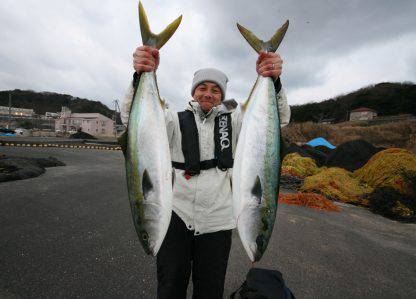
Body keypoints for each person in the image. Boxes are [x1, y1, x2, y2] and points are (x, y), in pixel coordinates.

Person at [120, 45, 290, 299]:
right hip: (175, 215)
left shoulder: (235, 121)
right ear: (193, 92)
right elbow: (132, 119)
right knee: (169, 287)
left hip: (218, 221)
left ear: (221, 96)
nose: (208, 94)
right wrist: (141, 76)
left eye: (215, 90)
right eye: (202, 88)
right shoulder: (172, 120)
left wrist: (273, 82)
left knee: (210, 291)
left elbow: (278, 121)